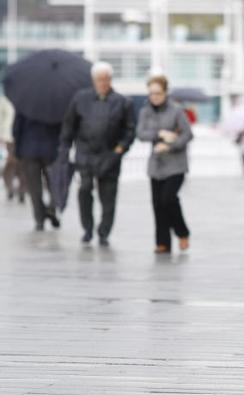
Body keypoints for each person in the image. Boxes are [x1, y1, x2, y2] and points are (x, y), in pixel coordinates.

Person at [58, 61, 135, 246]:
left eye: (106, 79)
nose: (103, 83)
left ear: (110, 79)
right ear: (93, 80)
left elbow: (130, 130)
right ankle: (87, 228)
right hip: (85, 154)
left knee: (108, 196)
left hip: (110, 155)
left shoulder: (122, 102)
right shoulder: (80, 98)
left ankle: (104, 231)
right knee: (84, 190)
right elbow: (69, 125)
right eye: (100, 79)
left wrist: (120, 149)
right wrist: (65, 148)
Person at [136, 75, 193, 254]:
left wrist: (170, 145)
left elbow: (187, 134)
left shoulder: (176, 111)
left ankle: (182, 232)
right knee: (157, 204)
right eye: (151, 93)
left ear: (165, 92)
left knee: (169, 199)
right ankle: (163, 242)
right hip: (156, 165)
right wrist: (159, 134)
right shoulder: (145, 111)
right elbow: (140, 134)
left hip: (176, 165)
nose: (155, 97)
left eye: (158, 93)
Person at [13, 113, 61, 231]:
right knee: (55, 185)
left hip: (29, 150)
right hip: (51, 151)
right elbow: (62, 128)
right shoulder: (55, 105)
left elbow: (16, 129)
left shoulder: (25, 105)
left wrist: (18, 151)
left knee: (34, 188)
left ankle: (39, 219)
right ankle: (51, 209)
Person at [0, 95, 26, 203]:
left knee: (22, 164)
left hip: (24, 137)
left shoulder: (27, 99)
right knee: (11, 161)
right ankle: (10, 188)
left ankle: (22, 190)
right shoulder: (5, 100)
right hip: (9, 136)